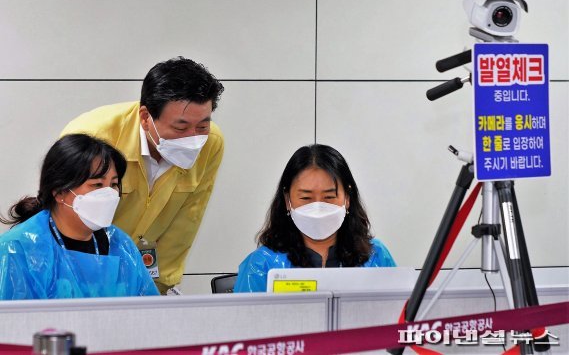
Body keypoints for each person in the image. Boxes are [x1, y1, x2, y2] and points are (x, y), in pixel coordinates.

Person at [60, 57, 224, 294]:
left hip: (144, 277)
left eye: (202, 126)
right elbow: (66, 220)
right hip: (80, 275)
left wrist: (154, 290)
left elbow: (186, 222)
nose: (193, 138)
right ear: (146, 117)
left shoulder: (211, 143)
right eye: (180, 127)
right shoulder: (92, 138)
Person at [0, 134, 159, 299]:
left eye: (113, 184)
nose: (109, 194)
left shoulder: (121, 245)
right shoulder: (18, 250)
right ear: (60, 191)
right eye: (97, 184)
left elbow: (148, 314)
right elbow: (13, 321)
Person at [234, 144, 395, 293]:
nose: (318, 208)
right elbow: (243, 320)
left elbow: (400, 316)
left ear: (347, 198)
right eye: (306, 198)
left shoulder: (376, 256)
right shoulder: (262, 265)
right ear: (287, 200)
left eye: (329, 197)